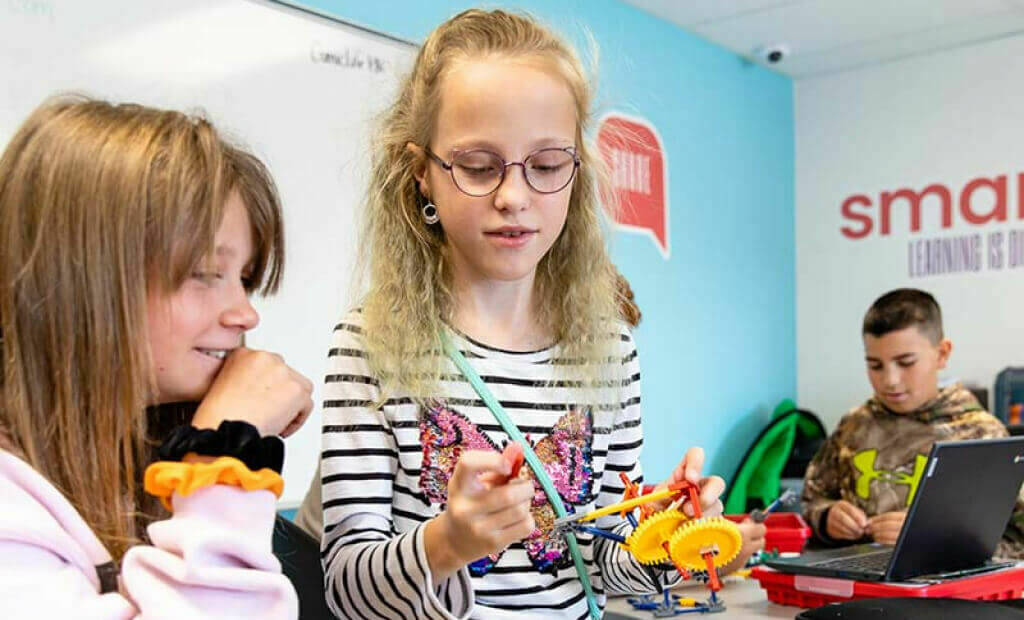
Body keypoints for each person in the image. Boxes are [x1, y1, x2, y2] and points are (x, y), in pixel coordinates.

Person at [314, 9, 732, 619]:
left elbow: (603, 564)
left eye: (546, 165)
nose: (514, 197)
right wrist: (446, 543)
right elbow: (347, 591)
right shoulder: (368, 343)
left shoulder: (610, 350)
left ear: (576, 175)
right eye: (478, 166)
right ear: (421, 175)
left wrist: (667, 536)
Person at [0, 97, 314, 618]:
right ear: (84, 282)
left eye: (245, 278)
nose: (245, 314)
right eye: (203, 273)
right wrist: (224, 456)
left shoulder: (133, 460)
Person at [802, 288, 1024, 558]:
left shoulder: (982, 436)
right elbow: (810, 501)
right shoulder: (854, 426)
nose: (890, 380)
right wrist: (827, 519)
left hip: (943, 595)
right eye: (875, 365)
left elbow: (1017, 542)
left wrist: (933, 541)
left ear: (942, 354)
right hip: (857, 585)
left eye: (905, 362)